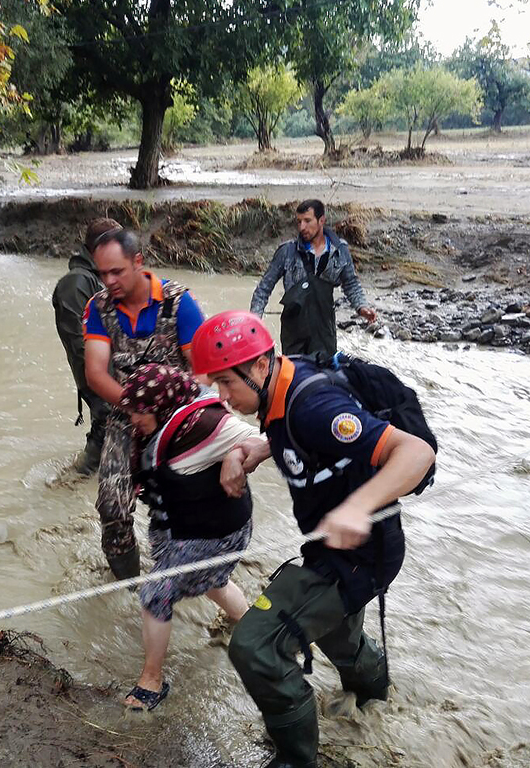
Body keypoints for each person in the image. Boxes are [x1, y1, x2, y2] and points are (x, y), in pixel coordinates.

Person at [189, 310, 436, 768]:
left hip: (361, 553)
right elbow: (296, 432)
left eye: (226, 383)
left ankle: (296, 760)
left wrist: (358, 508)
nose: (221, 398)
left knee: (255, 646)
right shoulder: (280, 384)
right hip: (342, 547)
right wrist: (261, 449)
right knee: (339, 639)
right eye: (214, 385)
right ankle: (375, 697)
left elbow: (416, 452)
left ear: (260, 366)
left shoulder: (315, 406)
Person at [118, 362, 256, 711]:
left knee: (155, 593)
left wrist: (236, 457)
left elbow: (266, 439)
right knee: (212, 581)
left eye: (140, 411)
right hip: (189, 526)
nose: (133, 419)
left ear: (161, 404)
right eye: (131, 410)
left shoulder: (208, 424)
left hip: (215, 533)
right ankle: (251, 623)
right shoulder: (163, 421)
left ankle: (152, 680)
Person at [83, 228, 205, 580]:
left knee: (189, 509)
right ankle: (129, 588)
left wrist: (165, 415)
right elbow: (95, 373)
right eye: (102, 273)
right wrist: (137, 409)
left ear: (138, 262)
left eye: (116, 271)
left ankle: (195, 578)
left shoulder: (178, 303)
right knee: (111, 506)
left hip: (179, 419)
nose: (109, 281)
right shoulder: (99, 307)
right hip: (127, 416)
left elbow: (202, 373)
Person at [249, 199, 376, 358]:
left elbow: (350, 283)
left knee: (326, 377)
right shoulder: (287, 251)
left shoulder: (339, 250)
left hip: (324, 331)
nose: (302, 227)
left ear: (321, 220)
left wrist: (361, 307)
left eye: (307, 221)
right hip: (293, 331)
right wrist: (255, 320)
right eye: (299, 222)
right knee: (296, 377)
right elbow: (264, 288)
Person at [51, 218, 118, 475]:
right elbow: (76, 339)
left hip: (110, 370)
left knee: (112, 428)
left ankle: (84, 478)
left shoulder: (102, 278)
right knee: (106, 424)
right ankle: (72, 483)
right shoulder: (75, 283)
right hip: (95, 373)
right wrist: (98, 379)